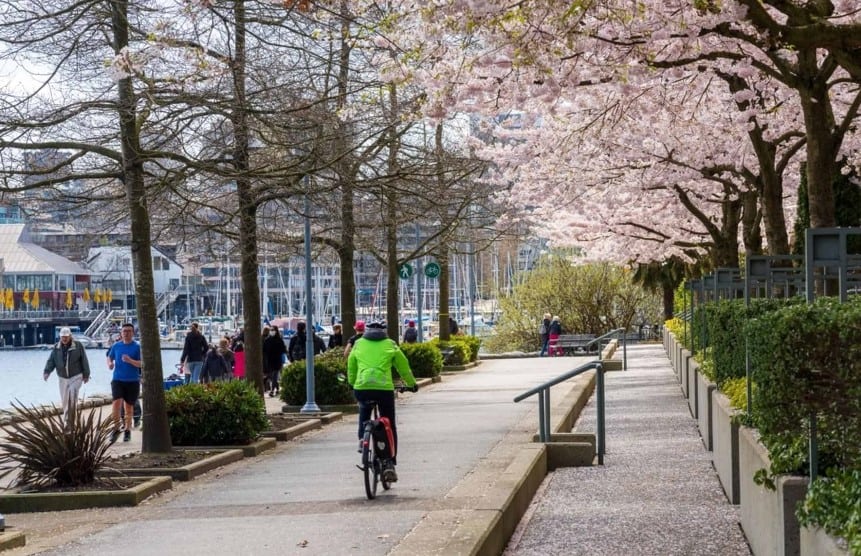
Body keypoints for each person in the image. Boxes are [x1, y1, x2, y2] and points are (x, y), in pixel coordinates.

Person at [347, 321, 418, 483]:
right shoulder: (390, 344)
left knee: (364, 410)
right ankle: (389, 463)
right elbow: (403, 366)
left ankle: (361, 439)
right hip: (383, 389)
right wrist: (411, 384)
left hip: (362, 387)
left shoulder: (358, 344)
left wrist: (352, 383)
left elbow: (351, 366)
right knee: (389, 424)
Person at [43, 326, 91, 426]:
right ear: (60, 337)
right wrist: (47, 372)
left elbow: (84, 360)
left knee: (72, 396)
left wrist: (86, 374)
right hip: (62, 378)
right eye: (62, 337)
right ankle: (67, 421)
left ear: (70, 336)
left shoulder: (78, 346)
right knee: (65, 400)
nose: (64, 339)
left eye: (66, 337)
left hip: (76, 376)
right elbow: (51, 361)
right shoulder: (56, 347)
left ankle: (70, 422)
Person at [106, 322, 142, 443]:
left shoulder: (137, 347)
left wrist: (130, 360)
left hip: (132, 380)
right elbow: (109, 357)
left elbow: (142, 364)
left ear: (133, 333)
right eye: (124, 331)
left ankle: (127, 430)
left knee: (129, 407)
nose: (126, 333)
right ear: (121, 333)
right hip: (118, 379)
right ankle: (116, 428)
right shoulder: (116, 346)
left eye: (129, 331)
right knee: (116, 404)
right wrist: (110, 364)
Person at [262, 325, 287, 397]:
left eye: (273, 330)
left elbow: (283, 350)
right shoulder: (267, 340)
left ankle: (272, 390)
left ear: (276, 331)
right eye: (271, 330)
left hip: (277, 360)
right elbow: (264, 350)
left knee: (275, 375)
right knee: (272, 376)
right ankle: (278, 388)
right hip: (269, 361)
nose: (272, 331)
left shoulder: (279, 340)